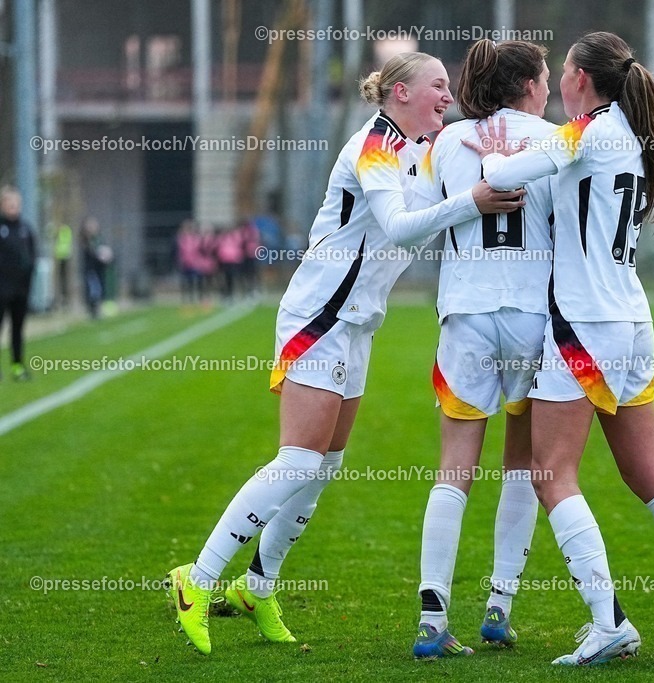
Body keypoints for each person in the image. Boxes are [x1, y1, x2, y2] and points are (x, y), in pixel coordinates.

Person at [166, 51, 525, 656]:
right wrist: (475, 201)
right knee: (300, 460)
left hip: (358, 324)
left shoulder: (423, 148)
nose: (448, 96)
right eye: (438, 86)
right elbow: (405, 226)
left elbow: (448, 198)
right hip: (320, 317)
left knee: (324, 466)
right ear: (401, 91)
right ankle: (196, 580)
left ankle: (257, 587)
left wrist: (502, 157)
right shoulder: (375, 146)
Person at [465, 31, 654, 665]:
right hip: (630, 320)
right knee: (647, 474)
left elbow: (505, 176)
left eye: (564, 70)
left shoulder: (589, 132)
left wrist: (494, 155)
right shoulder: (623, 132)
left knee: (550, 474)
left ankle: (609, 623)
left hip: (585, 326)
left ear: (579, 80)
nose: (558, 82)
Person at [408, 39, 556, 658]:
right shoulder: (556, 137)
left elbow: (414, 221)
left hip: (465, 313)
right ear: (527, 85)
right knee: (522, 463)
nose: (548, 88)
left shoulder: (445, 142)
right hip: (530, 313)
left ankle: (432, 620)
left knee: (453, 469)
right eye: (545, 78)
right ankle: (499, 604)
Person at [0, 186, 36, 382]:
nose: (13, 206)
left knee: (17, 329)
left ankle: (17, 366)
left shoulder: (25, 229)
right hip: (1, 290)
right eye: (9, 203)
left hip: (20, 291)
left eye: (16, 203)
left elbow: (32, 257)